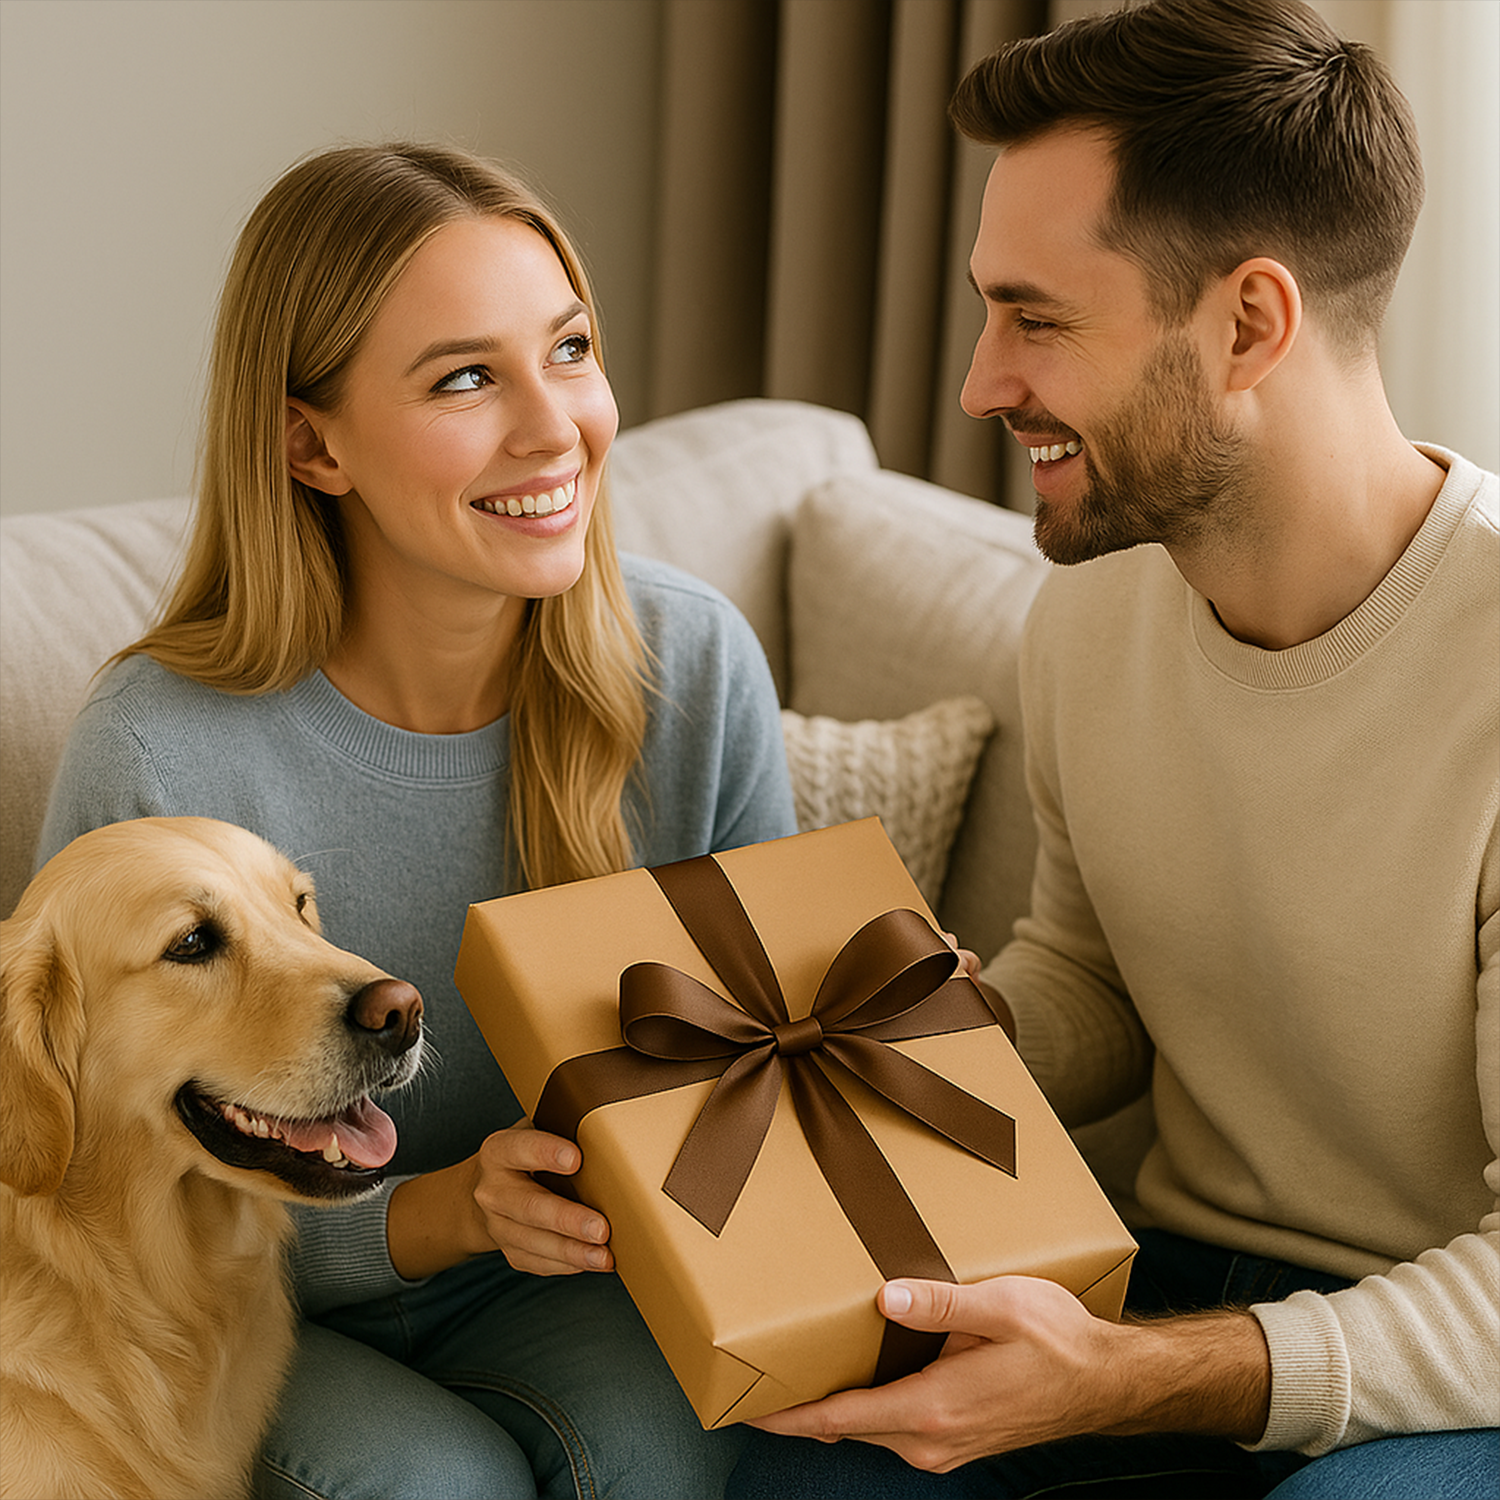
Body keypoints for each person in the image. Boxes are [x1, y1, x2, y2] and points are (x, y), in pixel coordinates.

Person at [727, 1, 1498, 1497]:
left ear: (1251, 325)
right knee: (800, 1464)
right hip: (1182, 1275)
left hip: (1448, 1354)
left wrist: (1131, 1377)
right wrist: (914, 1040)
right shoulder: (1092, 612)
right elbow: (1094, 973)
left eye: (1036, 317)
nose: (978, 385)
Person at [36, 142, 797, 1499]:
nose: (554, 426)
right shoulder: (156, 745)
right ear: (309, 442)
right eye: (465, 378)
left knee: (645, 1463)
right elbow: (91, 1177)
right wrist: (443, 1210)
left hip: (555, 1284)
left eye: (567, 348)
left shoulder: (695, 665)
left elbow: (773, 1078)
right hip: (234, 1297)